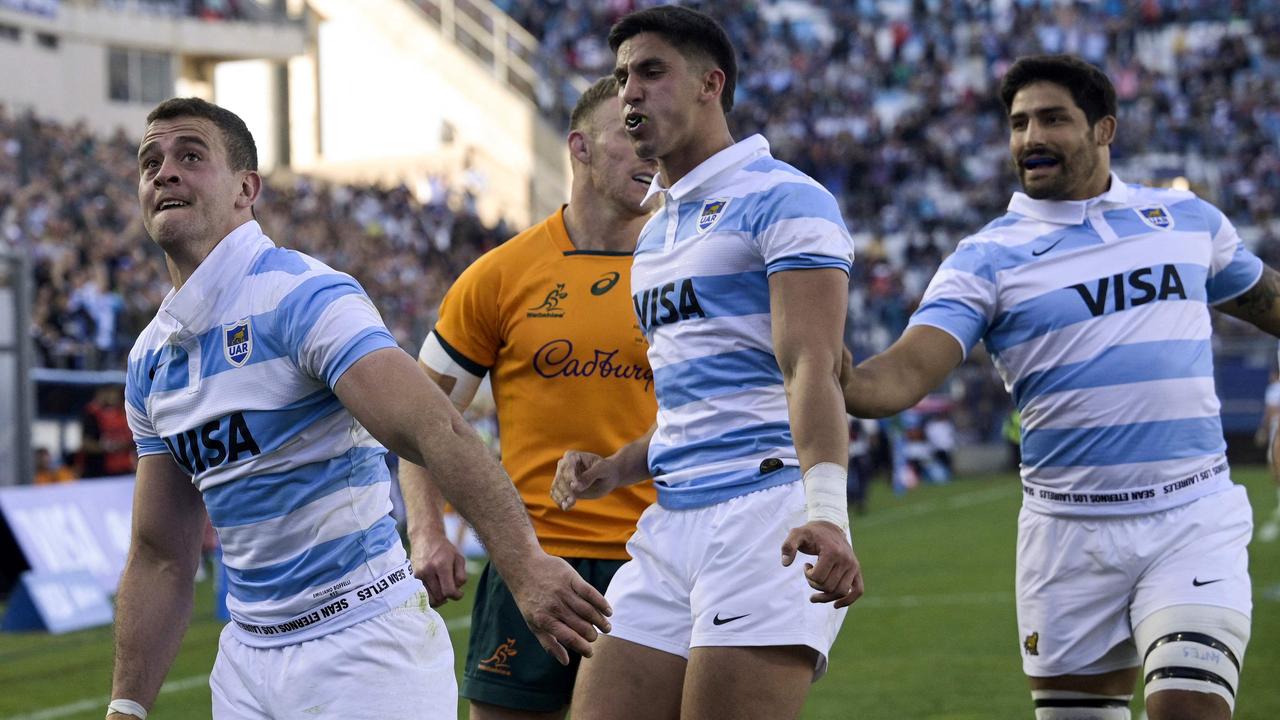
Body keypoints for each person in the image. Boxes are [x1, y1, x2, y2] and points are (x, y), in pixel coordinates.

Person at [108, 97, 611, 720]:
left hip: (362, 646)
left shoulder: (304, 297)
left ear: (246, 188)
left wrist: (525, 565)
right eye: (150, 162)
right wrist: (126, 706)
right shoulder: (149, 359)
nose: (165, 172)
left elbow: (435, 429)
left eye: (190, 156)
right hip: (244, 661)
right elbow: (160, 552)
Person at [840, 55, 1268, 720]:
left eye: (1051, 119)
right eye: (1018, 123)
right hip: (1066, 534)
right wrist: (829, 371)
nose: (1030, 137)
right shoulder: (985, 259)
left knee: (1188, 706)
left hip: (1191, 514)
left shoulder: (1186, 221)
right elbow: (900, 376)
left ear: (1104, 129)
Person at [550, 7, 862, 719]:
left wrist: (828, 515)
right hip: (671, 519)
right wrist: (616, 468)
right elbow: (695, 409)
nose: (630, 91)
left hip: (766, 517)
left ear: (708, 85)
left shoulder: (787, 197)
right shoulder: (656, 234)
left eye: (653, 72)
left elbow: (809, 370)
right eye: (623, 76)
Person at [398, 76, 659, 720]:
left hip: (657, 563)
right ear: (580, 147)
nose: (649, 149)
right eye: (630, 131)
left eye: (652, 131)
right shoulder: (500, 275)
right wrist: (427, 530)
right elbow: (417, 418)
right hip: (529, 563)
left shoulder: (686, 270)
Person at [79, 384, 135, 477]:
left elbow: (133, 439)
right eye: (109, 392)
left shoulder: (125, 412)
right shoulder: (91, 415)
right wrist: (107, 447)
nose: (112, 396)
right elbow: (86, 443)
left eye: (114, 393)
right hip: (98, 471)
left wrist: (123, 445)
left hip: (123, 468)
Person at [1260, 356, 1280, 543]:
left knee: (1276, 473)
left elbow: (1271, 414)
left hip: (1277, 436)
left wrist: (1263, 431)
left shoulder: (1274, 389)